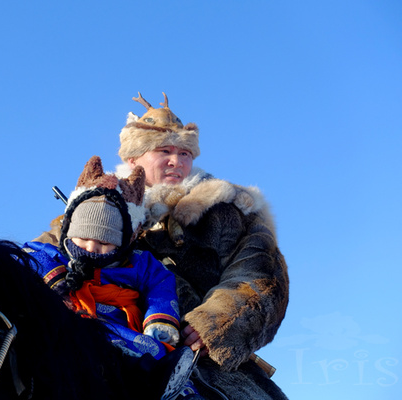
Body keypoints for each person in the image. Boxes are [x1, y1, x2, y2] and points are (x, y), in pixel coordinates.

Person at [34, 93, 290, 400]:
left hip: (200, 357)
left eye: (185, 153)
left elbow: (260, 275)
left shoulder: (233, 209)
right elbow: (38, 253)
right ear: (133, 158)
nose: (176, 161)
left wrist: (216, 322)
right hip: (94, 330)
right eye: (164, 150)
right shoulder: (96, 203)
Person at [25, 156, 202, 400]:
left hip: (118, 328)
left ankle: (170, 385)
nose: (91, 247)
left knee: (147, 352)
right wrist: (55, 280)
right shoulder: (56, 255)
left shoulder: (137, 264)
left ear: (124, 241)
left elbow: (160, 284)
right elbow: (28, 255)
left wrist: (159, 320)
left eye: (103, 242)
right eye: (82, 238)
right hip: (70, 319)